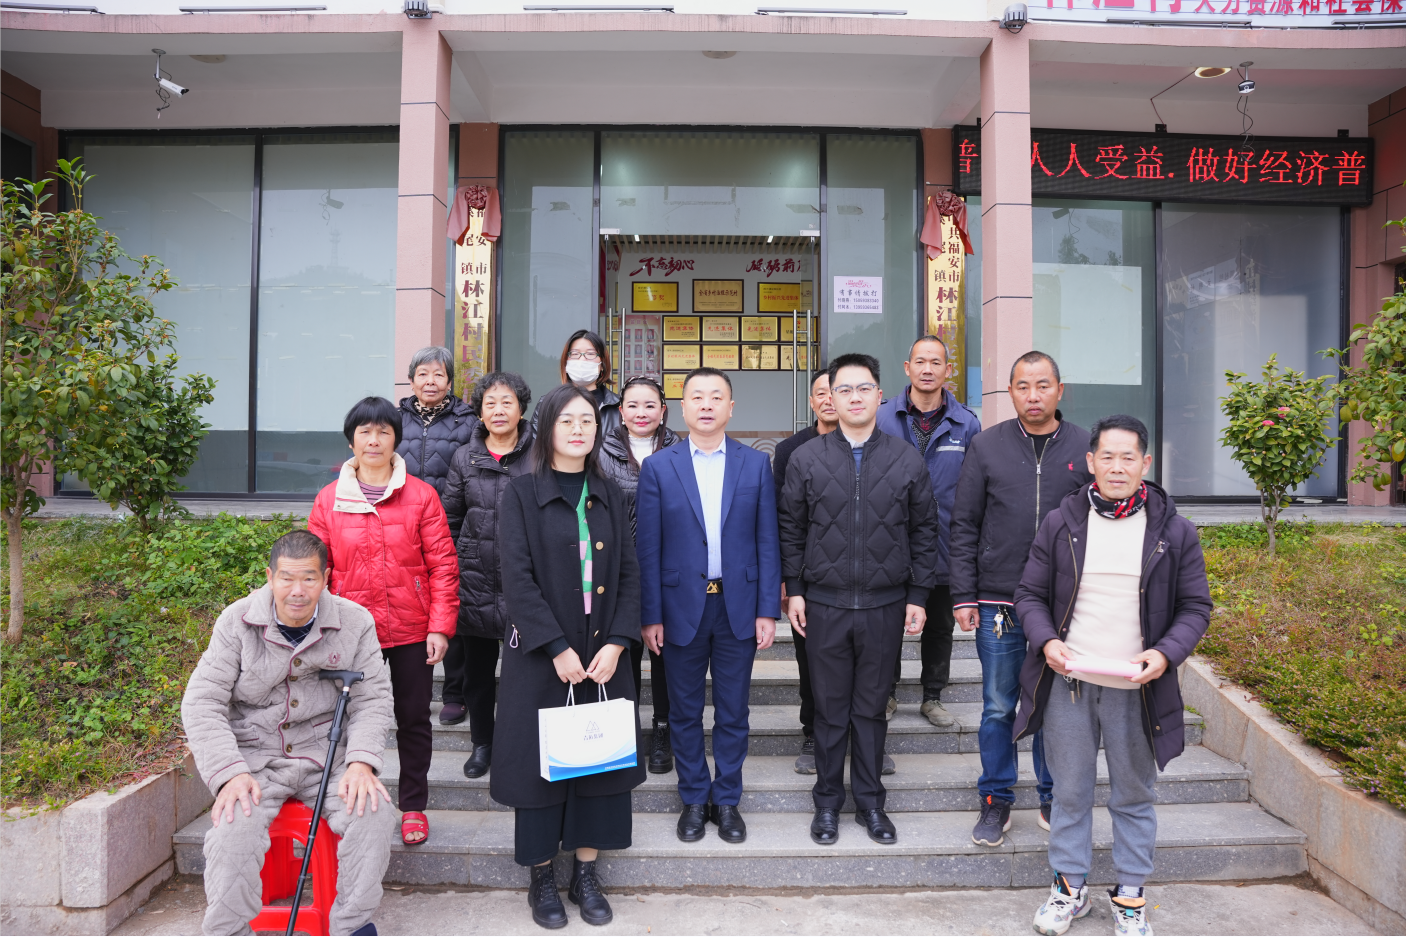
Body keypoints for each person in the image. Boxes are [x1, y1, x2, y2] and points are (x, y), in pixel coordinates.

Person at [1015, 414, 1211, 937]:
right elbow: (1029, 594)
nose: (1117, 467)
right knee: (1069, 792)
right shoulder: (1062, 522)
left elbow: (1196, 607)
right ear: (1090, 462)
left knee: (1133, 794)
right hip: (1071, 684)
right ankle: (1069, 889)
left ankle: (1130, 896)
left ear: (1146, 463)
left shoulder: (1173, 530)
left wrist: (1165, 654)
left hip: (1138, 690)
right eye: (1108, 456)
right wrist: (1047, 641)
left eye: (1128, 457)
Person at [182, 530, 396, 937]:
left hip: (327, 757)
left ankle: (352, 925)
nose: (298, 591)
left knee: (373, 813)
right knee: (232, 829)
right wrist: (230, 773)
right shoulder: (237, 621)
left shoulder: (355, 621)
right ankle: (228, 931)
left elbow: (373, 698)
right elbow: (202, 702)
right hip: (255, 758)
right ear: (270, 576)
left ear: (326, 578)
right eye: (287, 578)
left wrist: (361, 763)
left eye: (309, 578)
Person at [493, 383, 645, 930]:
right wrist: (555, 647)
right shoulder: (520, 493)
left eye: (587, 421)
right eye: (567, 421)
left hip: (603, 655)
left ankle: (585, 872)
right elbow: (517, 580)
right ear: (547, 428)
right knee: (539, 769)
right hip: (542, 657)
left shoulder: (611, 493)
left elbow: (629, 575)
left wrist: (618, 642)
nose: (579, 430)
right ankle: (541, 877)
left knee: (598, 763)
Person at [779, 353, 939, 847]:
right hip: (824, 604)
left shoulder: (906, 458)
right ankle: (827, 803)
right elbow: (790, 530)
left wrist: (918, 595)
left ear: (879, 395)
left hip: (883, 604)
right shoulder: (807, 457)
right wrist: (795, 590)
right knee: (829, 710)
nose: (853, 397)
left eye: (863, 388)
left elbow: (925, 530)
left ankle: (870, 803)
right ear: (830, 397)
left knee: (870, 709)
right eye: (843, 389)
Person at [949, 351, 1093, 848]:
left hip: (1065, 605)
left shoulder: (1084, 447)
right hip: (999, 603)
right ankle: (996, 797)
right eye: (1023, 386)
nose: (1033, 396)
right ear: (1009, 391)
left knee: (1057, 706)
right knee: (998, 705)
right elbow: (964, 523)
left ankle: (1054, 796)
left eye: (1042, 385)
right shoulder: (986, 445)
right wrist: (963, 594)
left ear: (1060, 389)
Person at [635, 367, 781, 845]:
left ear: (730, 408)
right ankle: (695, 798)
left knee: (734, 711)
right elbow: (648, 548)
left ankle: (728, 799)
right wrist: (650, 615)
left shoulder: (754, 464)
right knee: (684, 711)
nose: (706, 405)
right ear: (682, 408)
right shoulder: (660, 467)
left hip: (738, 605)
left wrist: (767, 609)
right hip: (680, 608)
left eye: (716, 397)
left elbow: (767, 542)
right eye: (697, 396)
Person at [307, 396, 459, 848]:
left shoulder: (421, 495)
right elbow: (316, 571)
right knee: (345, 720)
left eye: (383, 432)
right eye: (365, 432)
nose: (373, 441)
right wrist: (319, 629)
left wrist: (440, 626)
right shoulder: (329, 499)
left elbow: (443, 566)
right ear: (351, 440)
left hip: (411, 629)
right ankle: (348, 805)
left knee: (413, 719)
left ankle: (413, 806)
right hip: (351, 633)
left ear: (397, 439)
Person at [875, 336, 982, 729]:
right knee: (886, 626)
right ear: (907, 368)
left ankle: (932, 695)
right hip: (888, 543)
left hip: (944, 543)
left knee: (939, 625)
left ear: (947, 370)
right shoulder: (882, 418)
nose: (927, 369)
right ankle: (886, 692)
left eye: (936, 362)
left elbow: (975, 488)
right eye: (920, 361)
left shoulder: (966, 423)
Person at [440, 371, 534, 777]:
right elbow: (449, 521)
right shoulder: (464, 458)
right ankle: (482, 744)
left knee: (523, 674)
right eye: (490, 403)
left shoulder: (540, 455)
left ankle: (518, 745)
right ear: (479, 412)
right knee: (477, 674)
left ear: (521, 409)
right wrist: (457, 567)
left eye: (507, 402)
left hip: (525, 582)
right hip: (475, 580)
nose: (498, 410)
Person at [599, 375, 682, 774]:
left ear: (663, 411)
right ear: (621, 411)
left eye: (650, 405)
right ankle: (626, 732)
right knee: (623, 653)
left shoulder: (681, 451)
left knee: (665, 655)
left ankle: (663, 729)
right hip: (617, 573)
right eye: (632, 405)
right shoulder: (600, 453)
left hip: (669, 572)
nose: (641, 412)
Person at [770, 370, 837, 775]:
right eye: (821, 393)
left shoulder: (875, 447)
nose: (829, 399)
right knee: (809, 659)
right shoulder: (791, 449)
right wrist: (786, 578)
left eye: (836, 391)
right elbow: (784, 518)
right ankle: (812, 733)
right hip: (808, 576)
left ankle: (865, 737)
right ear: (811, 401)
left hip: (863, 578)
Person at [396, 345, 478, 496]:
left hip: (449, 509)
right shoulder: (395, 419)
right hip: (402, 507)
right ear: (411, 381)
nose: (430, 381)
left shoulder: (468, 421)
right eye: (423, 374)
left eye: (438, 375)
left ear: (449, 383)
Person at [542, 329, 621, 439]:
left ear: (602, 364)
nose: (582, 359)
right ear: (565, 363)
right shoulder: (547, 404)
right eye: (575, 354)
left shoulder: (619, 406)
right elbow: (539, 445)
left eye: (590, 354)